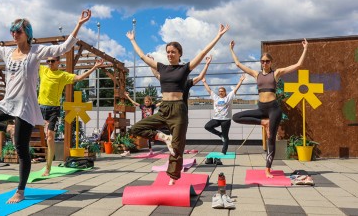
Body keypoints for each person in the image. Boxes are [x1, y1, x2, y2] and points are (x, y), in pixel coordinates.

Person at [0, 9, 91, 203]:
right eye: (12, 31)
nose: (14, 35)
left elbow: (63, 48)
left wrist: (79, 24)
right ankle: (9, 127)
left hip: (25, 107)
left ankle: (20, 191)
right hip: (7, 103)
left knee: (21, 149)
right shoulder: (7, 52)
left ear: (28, 34)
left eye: (18, 32)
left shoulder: (36, 51)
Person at [126, 24, 229, 185]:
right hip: (164, 108)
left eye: (173, 52)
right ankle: (163, 137)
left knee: (178, 146)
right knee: (135, 128)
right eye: (168, 52)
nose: (170, 54)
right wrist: (133, 40)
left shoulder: (184, 69)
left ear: (179, 54)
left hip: (179, 110)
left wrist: (219, 35)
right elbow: (142, 58)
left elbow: (202, 53)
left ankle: (173, 178)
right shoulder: (162, 68)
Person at [230, 39, 308, 178]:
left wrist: (305, 48)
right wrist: (231, 50)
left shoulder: (276, 73)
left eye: (267, 61)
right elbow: (238, 64)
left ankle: (267, 169)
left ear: (271, 62)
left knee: (271, 138)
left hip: (273, 109)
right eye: (262, 61)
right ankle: (263, 122)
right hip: (261, 109)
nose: (264, 63)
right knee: (236, 117)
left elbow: (298, 65)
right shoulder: (256, 74)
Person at [39, 57, 104, 176]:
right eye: (47, 61)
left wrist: (94, 67)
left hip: (53, 109)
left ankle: (48, 168)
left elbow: (79, 78)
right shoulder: (43, 69)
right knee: (44, 136)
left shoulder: (62, 75)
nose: (49, 63)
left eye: (52, 61)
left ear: (58, 62)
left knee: (50, 137)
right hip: (40, 108)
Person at [202, 73, 246, 155]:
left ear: (225, 92)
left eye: (222, 91)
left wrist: (240, 81)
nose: (220, 92)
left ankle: (223, 151)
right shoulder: (216, 98)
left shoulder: (228, 97)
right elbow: (209, 90)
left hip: (225, 120)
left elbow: (235, 89)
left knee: (226, 137)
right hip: (216, 119)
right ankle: (220, 134)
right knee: (207, 126)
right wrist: (204, 82)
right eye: (219, 91)